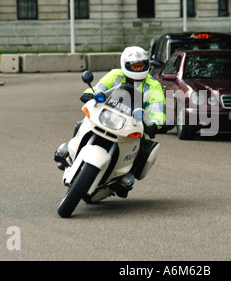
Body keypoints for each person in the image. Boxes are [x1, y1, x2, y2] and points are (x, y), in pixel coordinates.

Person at [54, 46, 166, 197]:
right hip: (108, 115)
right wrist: (88, 94)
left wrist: (155, 123)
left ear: (147, 65)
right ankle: (70, 151)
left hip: (134, 123)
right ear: (126, 65)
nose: (139, 69)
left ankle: (124, 178)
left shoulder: (153, 85)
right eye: (135, 66)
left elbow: (157, 106)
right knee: (84, 122)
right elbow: (98, 88)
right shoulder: (115, 75)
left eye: (141, 66)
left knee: (145, 149)